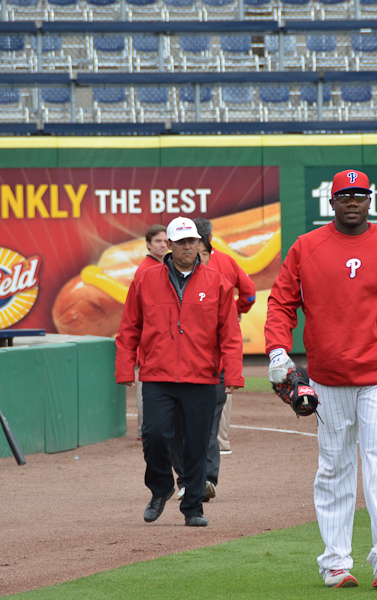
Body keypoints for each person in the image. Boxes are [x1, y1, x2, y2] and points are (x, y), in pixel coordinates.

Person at [264, 169, 377, 589]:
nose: (353, 201)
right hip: (327, 376)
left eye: (360, 195)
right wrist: (276, 351)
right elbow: (281, 302)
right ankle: (335, 562)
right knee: (335, 466)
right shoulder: (307, 247)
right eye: (345, 196)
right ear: (333, 202)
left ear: (370, 200)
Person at [116, 216, 244, 527]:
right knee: (155, 435)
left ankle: (193, 507)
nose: (188, 247)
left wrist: (235, 374)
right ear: (169, 246)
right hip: (157, 374)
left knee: (198, 443)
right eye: (181, 242)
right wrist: (124, 368)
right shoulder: (145, 281)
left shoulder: (218, 283)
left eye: (192, 241)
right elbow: (129, 327)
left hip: (201, 375)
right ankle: (160, 488)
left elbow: (230, 333)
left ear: (201, 244)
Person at [192, 217, 256, 494]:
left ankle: (198, 473)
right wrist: (240, 309)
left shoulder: (186, 264)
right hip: (228, 325)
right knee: (221, 394)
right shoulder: (227, 261)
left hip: (197, 334)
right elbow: (250, 293)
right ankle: (223, 442)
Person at [133, 224, 169, 442]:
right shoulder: (146, 269)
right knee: (146, 385)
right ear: (148, 244)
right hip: (148, 340)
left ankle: (146, 428)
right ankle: (143, 429)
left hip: (157, 341)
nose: (163, 245)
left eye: (166, 241)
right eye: (158, 241)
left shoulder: (161, 266)